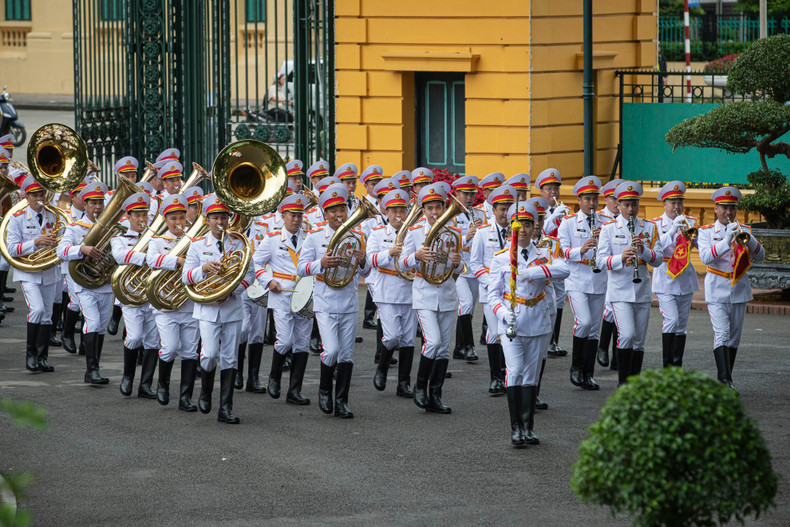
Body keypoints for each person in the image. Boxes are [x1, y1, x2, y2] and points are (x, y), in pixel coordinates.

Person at [488, 201, 569, 447]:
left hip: (538, 319)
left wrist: (533, 273)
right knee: (514, 371)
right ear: (511, 228)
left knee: (532, 374)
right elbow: (492, 294)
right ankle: (515, 428)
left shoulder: (545, 253)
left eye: (527, 224)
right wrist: (502, 313)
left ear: (535, 227)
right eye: (517, 225)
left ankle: (528, 427)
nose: (522, 230)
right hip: (512, 320)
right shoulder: (501, 258)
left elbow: (564, 270)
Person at [297, 183, 369, 418]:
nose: (339, 215)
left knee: (347, 354)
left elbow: (366, 273)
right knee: (332, 350)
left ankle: (342, 401)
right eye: (333, 211)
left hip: (348, 300)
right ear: (324, 214)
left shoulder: (358, 236)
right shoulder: (315, 237)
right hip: (326, 301)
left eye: (342, 210)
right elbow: (301, 268)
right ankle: (325, 389)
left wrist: (362, 261)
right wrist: (321, 264)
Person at [183, 195, 255, 423]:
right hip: (207, 309)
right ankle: (205, 391)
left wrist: (233, 291)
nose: (220, 222)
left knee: (230, 358)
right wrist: (203, 269)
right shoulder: (196, 245)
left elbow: (250, 275)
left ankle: (226, 408)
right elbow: (186, 277)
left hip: (232, 307)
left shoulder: (239, 243)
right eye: (215, 218)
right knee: (209, 354)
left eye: (223, 217)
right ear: (208, 220)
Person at [400, 183, 464, 414]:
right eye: (430, 208)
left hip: (446, 293)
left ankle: (436, 395)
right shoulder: (415, 232)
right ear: (423, 210)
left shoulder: (455, 233)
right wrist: (415, 256)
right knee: (433, 342)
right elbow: (401, 263)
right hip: (425, 294)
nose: (435, 212)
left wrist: (458, 263)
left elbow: (461, 268)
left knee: (444, 348)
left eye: (439, 207)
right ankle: (420, 385)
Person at [596, 181, 662, 386]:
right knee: (627, 335)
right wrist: (621, 257)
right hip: (619, 291)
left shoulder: (649, 227)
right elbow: (600, 261)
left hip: (641, 290)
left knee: (639, 341)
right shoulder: (608, 228)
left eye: (634, 204)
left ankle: (634, 382)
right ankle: (623, 383)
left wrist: (644, 251)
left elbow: (658, 259)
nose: (630, 209)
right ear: (619, 204)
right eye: (626, 205)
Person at [698, 186, 765, 389]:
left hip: (739, 289)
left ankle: (726, 378)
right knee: (722, 334)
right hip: (717, 288)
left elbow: (760, 256)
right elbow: (705, 257)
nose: (728, 212)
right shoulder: (706, 232)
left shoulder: (745, 230)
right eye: (724, 207)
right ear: (716, 208)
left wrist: (747, 237)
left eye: (732, 208)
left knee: (734, 338)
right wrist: (726, 241)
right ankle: (725, 381)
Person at [254, 193, 312, 405]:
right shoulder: (272, 239)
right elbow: (257, 263)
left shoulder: (309, 238)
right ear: (283, 215)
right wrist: (268, 281)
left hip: (305, 295)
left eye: (299, 215)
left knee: (302, 343)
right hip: (281, 293)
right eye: (292, 215)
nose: (296, 219)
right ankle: (274, 377)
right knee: (285, 340)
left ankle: (294, 390)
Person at [146, 194, 200, 410]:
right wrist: (176, 260)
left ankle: (185, 397)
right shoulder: (157, 241)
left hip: (188, 304)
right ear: (165, 220)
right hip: (165, 304)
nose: (178, 222)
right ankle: (162, 385)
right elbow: (151, 260)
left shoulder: (194, 242)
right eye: (173, 218)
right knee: (168, 348)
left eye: (182, 217)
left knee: (190, 351)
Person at [57, 180, 114, 384]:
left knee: (100, 327)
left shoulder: (112, 228)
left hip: (105, 284)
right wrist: (81, 249)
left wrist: (113, 273)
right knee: (93, 322)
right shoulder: (74, 228)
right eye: (93, 203)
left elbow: (118, 255)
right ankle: (92, 369)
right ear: (85, 204)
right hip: (84, 284)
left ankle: (93, 370)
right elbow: (60, 251)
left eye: (100, 202)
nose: (98, 206)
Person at [557, 176, 611, 390]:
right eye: (587, 199)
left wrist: (602, 241)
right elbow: (562, 251)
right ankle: (576, 366)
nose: (591, 203)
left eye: (594, 199)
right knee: (584, 322)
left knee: (594, 328)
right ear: (579, 200)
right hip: (577, 280)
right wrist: (582, 249)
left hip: (599, 280)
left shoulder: (606, 224)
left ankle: (588, 373)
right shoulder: (569, 223)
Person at [7, 176, 63, 372]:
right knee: (37, 309)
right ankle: (30, 355)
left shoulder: (53, 216)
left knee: (47, 315)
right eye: (35, 195)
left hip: (49, 271)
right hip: (28, 273)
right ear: (27, 197)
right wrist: (36, 243)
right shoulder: (18, 218)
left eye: (42, 194)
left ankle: (42, 357)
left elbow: (61, 240)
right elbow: (11, 249)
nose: (40, 199)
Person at [366, 188, 416, 397]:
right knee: (392, 335)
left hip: (410, 291)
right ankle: (382, 368)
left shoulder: (413, 234)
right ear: (386, 212)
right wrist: (389, 253)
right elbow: (370, 260)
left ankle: (403, 383)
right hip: (386, 291)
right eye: (394, 210)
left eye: (402, 210)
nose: (398, 215)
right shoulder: (378, 234)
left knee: (408, 339)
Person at [111, 191, 160, 397]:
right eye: (137, 215)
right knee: (134, 337)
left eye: (144, 214)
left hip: (152, 296)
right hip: (130, 296)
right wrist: (149, 257)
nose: (141, 219)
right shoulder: (119, 237)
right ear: (128, 217)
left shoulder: (156, 237)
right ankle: (127, 377)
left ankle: (146, 384)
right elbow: (120, 256)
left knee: (153, 341)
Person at [470, 185, 516, 395]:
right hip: (490, 290)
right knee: (494, 331)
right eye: (501, 209)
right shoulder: (482, 232)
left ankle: (509, 374)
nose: (505, 213)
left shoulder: (517, 231)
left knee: (509, 330)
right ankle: (495, 377)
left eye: (508, 208)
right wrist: (491, 282)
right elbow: (475, 263)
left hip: (512, 290)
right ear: (494, 210)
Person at [651, 181, 699, 368]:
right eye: (672, 202)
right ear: (664, 203)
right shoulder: (655, 224)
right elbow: (655, 247)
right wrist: (672, 230)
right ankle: (667, 365)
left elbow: (700, 248)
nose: (677, 206)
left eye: (680, 201)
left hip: (685, 279)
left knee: (681, 325)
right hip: (665, 278)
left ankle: (676, 365)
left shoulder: (691, 223)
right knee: (671, 320)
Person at [534, 168, 570, 357]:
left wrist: (565, 219)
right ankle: (544, 339)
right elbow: (539, 232)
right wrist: (553, 217)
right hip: (543, 260)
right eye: (549, 189)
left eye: (556, 189)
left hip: (560, 260)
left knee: (559, 300)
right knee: (546, 299)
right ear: (541, 191)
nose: (553, 193)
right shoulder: (538, 212)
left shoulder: (564, 210)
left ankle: (554, 340)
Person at [451, 175, 484, 363]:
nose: (469, 198)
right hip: (460, 268)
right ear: (457, 194)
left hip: (476, 267)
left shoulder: (480, 215)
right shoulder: (451, 215)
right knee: (466, 304)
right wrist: (467, 237)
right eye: (465, 194)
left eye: (472, 194)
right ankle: (470, 347)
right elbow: (449, 243)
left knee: (468, 310)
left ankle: (459, 347)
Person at [107, 156, 141, 337]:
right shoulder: (107, 197)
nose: (130, 179)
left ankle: (128, 330)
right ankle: (116, 317)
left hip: (138, 243)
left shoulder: (143, 197)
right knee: (124, 280)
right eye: (126, 175)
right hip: (119, 242)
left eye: (133, 175)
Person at [595, 179, 621, 369]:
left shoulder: (628, 218)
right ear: (606, 198)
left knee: (619, 310)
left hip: (620, 270)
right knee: (610, 310)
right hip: (601, 270)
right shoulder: (598, 217)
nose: (616, 202)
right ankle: (603, 346)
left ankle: (617, 354)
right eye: (613, 198)